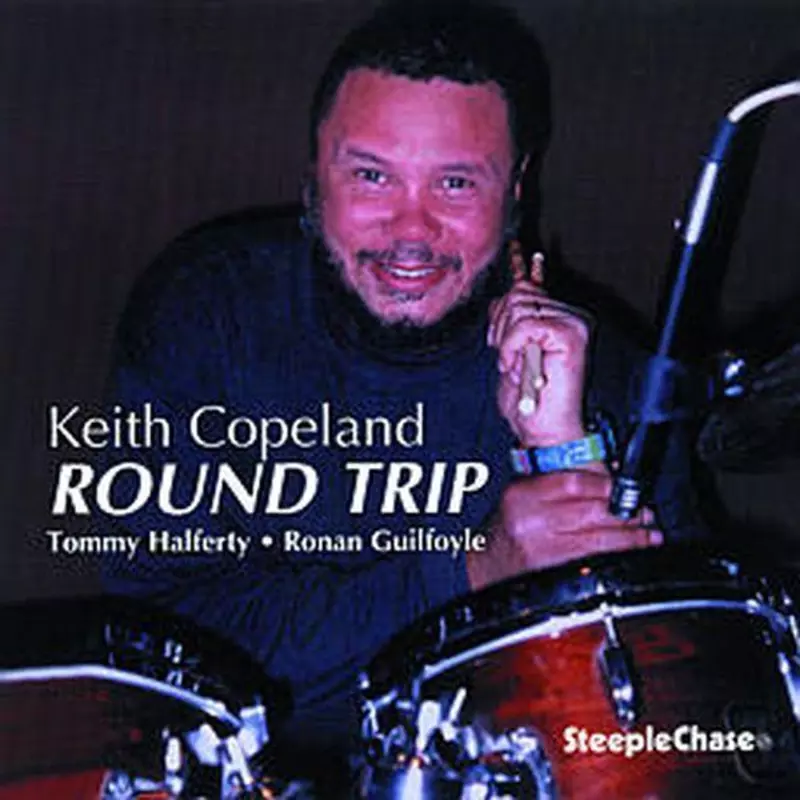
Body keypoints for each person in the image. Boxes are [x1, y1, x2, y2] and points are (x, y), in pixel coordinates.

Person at [100, 0, 707, 789]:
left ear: (516, 190)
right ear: (312, 176)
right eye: (371, 175)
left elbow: (671, 699)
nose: (411, 231)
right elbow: (157, 649)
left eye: (456, 183)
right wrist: (472, 570)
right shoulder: (207, 315)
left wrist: (564, 449)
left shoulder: (611, 372)